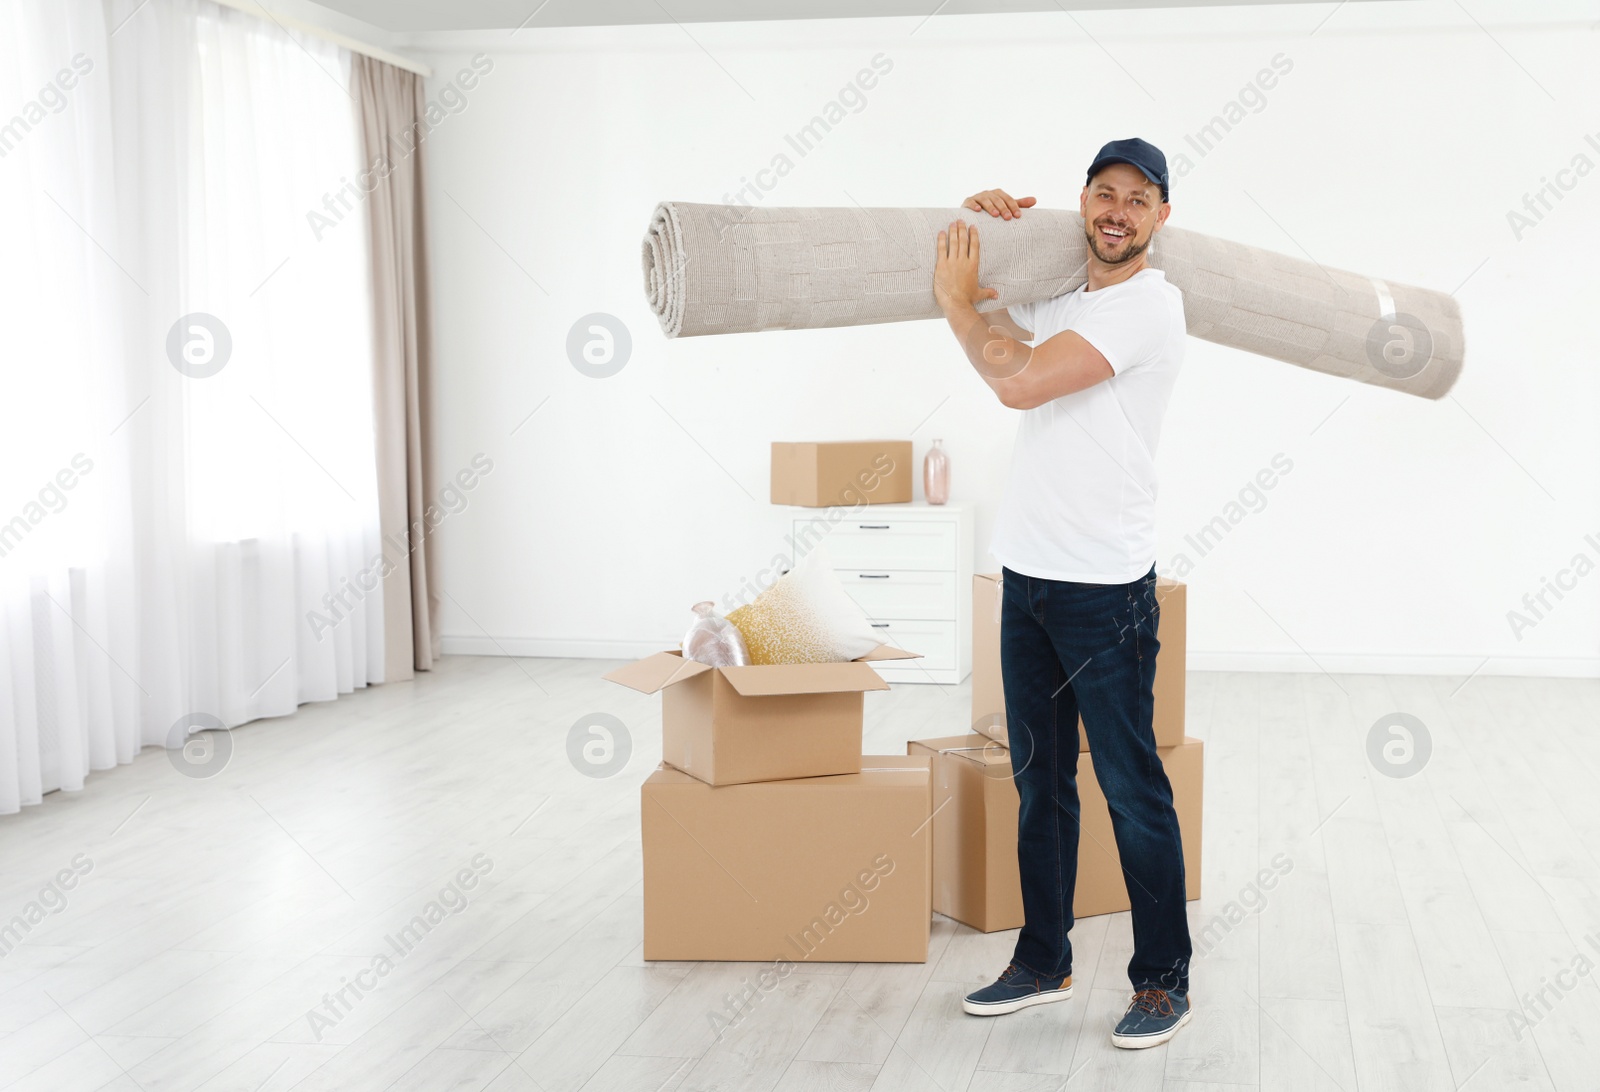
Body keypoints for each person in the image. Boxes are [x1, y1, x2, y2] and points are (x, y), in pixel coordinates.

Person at [931, 137, 1193, 1049]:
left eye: (1138, 199)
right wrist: (980, 217)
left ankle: (1162, 980)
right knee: (1041, 781)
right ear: (1083, 202)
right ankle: (1044, 959)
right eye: (1103, 192)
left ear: (1161, 217)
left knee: (1131, 789)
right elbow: (1002, 296)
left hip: (1103, 592)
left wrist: (958, 307)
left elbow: (1022, 379)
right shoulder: (1065, 292)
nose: (1117, 210)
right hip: (1028, 574)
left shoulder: (1149, 310)